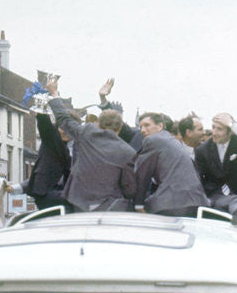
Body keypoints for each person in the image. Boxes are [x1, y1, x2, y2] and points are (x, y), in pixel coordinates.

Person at [46, 77, 136, 211]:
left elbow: (64, 118)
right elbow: (129, 188)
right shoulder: (128, 152)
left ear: (99, 124)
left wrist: (54, 93)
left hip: (79, 201)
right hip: (111, 206)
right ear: (120, 128)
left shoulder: (87, 132)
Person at [132, 111, 210, 218]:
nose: (142, 130)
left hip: (173, 203)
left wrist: (138, 204)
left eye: (147, 125)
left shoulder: (152, 140)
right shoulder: (172, 140)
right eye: (141, 127)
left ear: (160, 126)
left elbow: (142, 174)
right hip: (197, 202)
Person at [194, 111, 237, 222]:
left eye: (219, 129)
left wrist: (233, 124)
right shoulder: (202, 150)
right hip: (215, 197)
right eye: (213, 127)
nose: (214, 133)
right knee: (233, 203)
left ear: (230, 132)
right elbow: (200, 178)